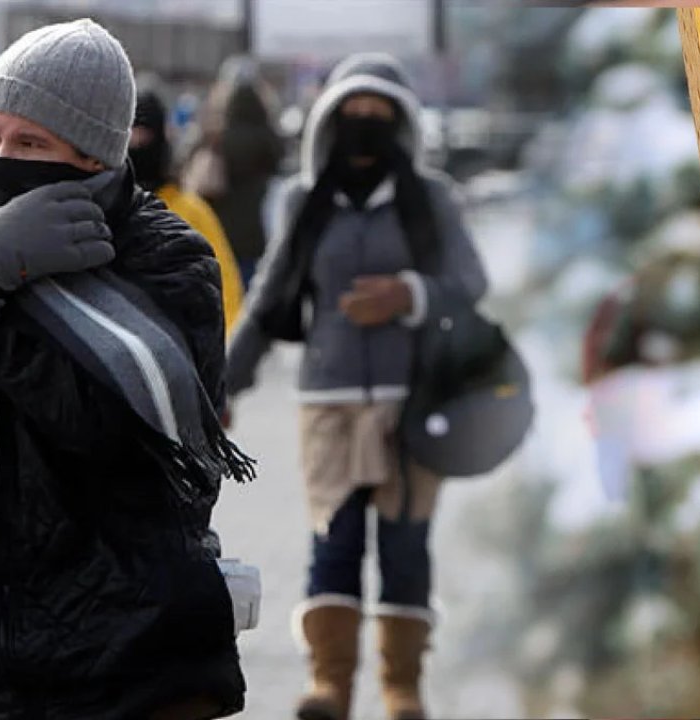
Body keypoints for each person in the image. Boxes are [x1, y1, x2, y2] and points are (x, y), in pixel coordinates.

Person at [0, 19, 253, 720]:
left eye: (31, 143)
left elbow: (101, 430)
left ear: (93, 156)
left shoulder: (169, 257)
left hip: (135, 650)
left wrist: (3, 290)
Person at [226, 53, 488, 720]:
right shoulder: (301, 198)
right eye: (351, 112)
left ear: (401, 123)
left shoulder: (430, 197)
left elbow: (472, 282)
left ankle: (401, 688)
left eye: (379, 113)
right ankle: (330, 687)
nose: (364, 123)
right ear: (328, 120)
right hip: (329, 404)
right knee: (333, 544)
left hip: (412, 402)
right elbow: (269, 297)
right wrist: (222, 385)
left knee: (404, 545)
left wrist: (411, 293)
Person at [131, 87, 244, 336]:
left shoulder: (190, 211)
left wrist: (223, 347)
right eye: (130, 135)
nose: (137, 144)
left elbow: (223, 282)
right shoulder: (97, 208)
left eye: (144, 134)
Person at [186, 56, 282, 288]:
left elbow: (186, 162)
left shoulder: (216, 135)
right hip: (253, 229)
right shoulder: (267, 137)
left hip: (216, 224)